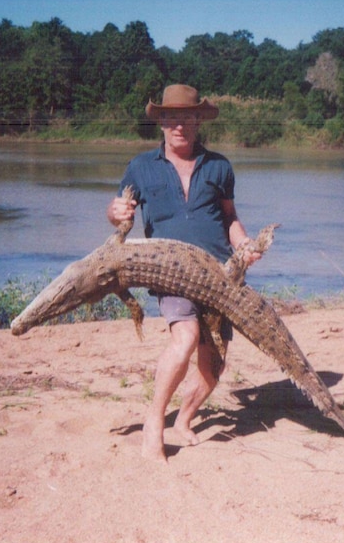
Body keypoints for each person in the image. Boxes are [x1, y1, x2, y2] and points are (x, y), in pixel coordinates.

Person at [107, 84, 262, 462]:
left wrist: (244, 244)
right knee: (187, 335)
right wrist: (116, 213)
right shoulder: (140, 167)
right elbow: (118, 211)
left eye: (188, 117)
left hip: (219, 274)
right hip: (170, 270)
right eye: (172, 117)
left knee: (214, 365)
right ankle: (155, 423)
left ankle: (184, 420)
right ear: (160, 121)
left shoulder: (220, 166)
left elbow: (230, 218)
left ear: (198, 121)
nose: (180, 125)